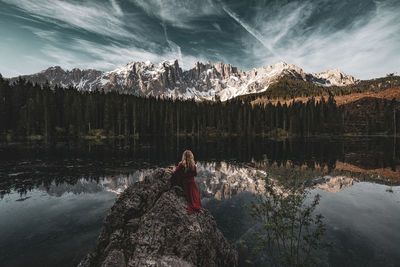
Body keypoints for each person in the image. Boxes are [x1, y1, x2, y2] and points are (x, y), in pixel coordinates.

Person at [166, 150, 203, 215]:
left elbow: (175, 173)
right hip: (192, 184)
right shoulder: (193, 165)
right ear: (191, 157)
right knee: (194, 197)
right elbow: (195, 174)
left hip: (185, 184)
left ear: (183, 156)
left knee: (190, 199)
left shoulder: (181, 164)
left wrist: (169, 170)